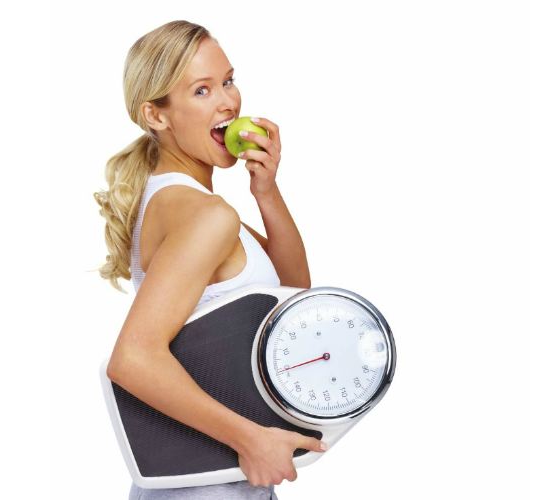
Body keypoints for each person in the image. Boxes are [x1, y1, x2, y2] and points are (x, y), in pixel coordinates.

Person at [92, 20, 327, 499]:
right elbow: (132, 359)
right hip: (206, 487)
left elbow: (293, 299)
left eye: (228, 81)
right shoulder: (205, 215)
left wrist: (266, 191)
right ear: (156, 115)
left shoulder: (190, 204)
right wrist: (251, 439)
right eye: (202, 90)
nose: (228, 102)